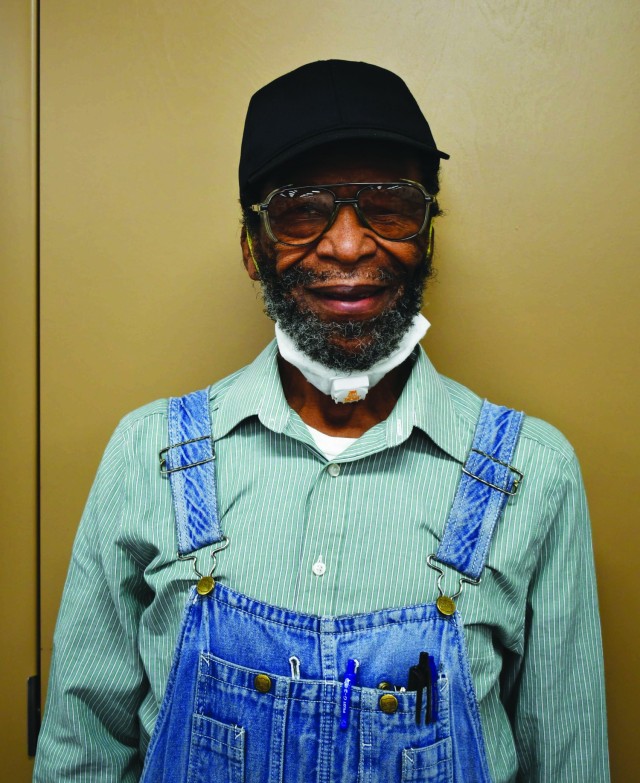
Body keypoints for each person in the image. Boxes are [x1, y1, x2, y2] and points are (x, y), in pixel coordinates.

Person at [33, 60, 609, 782]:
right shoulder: (147, 452)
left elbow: (570, 762)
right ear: (253, 247)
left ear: (426, 237)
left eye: (389, 204)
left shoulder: (534, 473)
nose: (347, 245)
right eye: (301, 208)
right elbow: (79, 751)